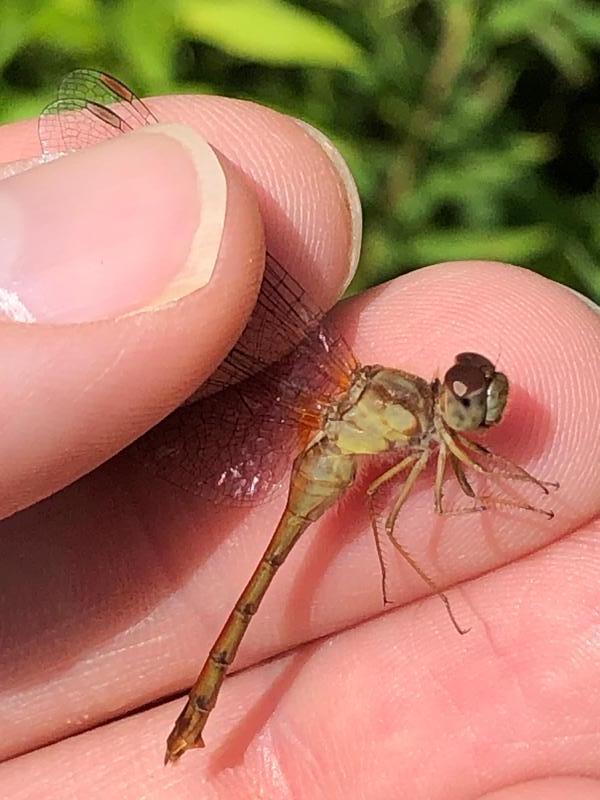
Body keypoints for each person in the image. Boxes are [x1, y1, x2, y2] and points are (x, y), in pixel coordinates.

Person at [0, 89, 598, 799]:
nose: (476, 405)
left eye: (477, 396)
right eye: (471, 397)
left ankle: (194, 717)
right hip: (321, 461)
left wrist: (527, 492)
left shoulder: (426, 425)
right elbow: (400, 533)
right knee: (377, 548)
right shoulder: (421, 431)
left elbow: (446, 475)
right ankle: (200, 711)